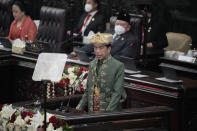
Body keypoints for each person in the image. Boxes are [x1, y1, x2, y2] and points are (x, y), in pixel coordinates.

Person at [76, 33, 127, 112]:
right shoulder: (92, 64)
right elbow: (88, 90)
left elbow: (117, 93)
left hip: (109, 111)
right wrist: (79, 108)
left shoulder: (118, 66)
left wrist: (107, 114)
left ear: (109, 49)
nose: (97, 51)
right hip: (92, 110)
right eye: (95, 48)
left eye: (101, 48)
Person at [72, 11, 138, 60]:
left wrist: (104, 57)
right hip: (94, 63)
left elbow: (124, 56)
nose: (119, 26)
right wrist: (78, 51)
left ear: (128, 27)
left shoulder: (131, 39)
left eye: (122, 25)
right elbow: (94, 45)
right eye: (117, 24)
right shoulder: (109, 32)